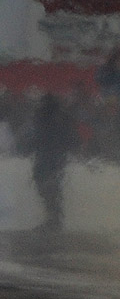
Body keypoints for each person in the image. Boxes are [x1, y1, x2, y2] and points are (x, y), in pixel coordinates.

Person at [31, 94, 77, 231]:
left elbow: (37, 136)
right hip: (55, 157)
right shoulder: (63, 117)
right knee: (52, 188)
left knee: (47, 188)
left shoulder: (42, 116)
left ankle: (53, 219)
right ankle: (54, 219)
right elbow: (71, 138)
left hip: (46, 156)